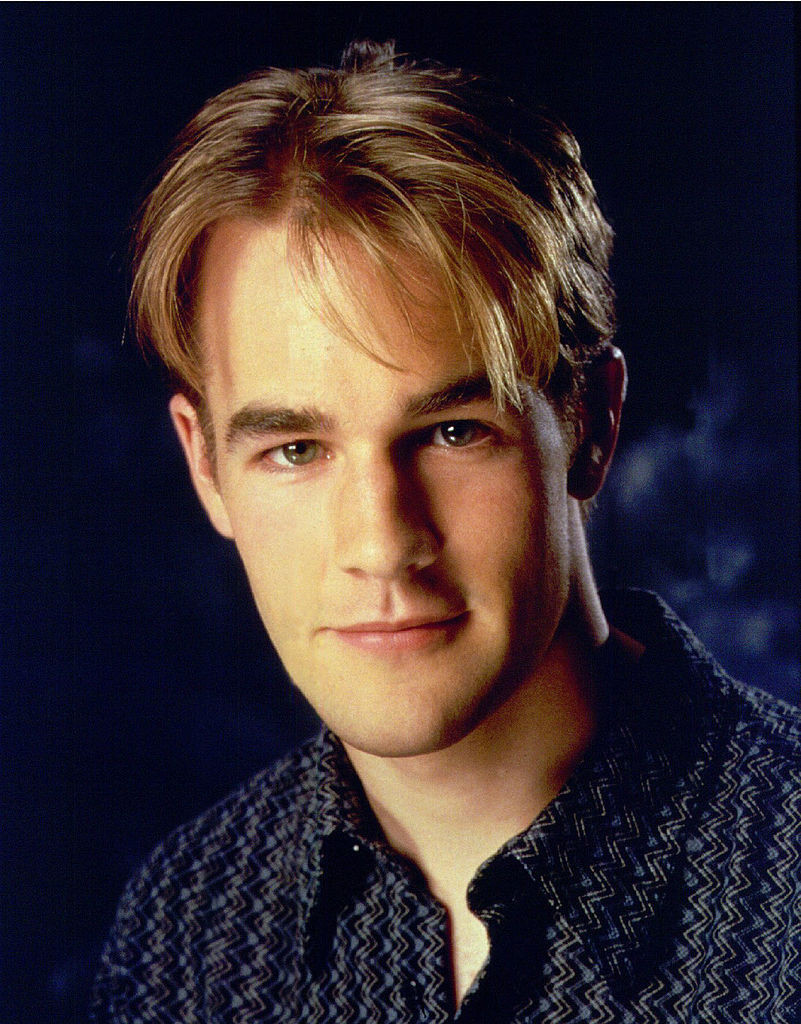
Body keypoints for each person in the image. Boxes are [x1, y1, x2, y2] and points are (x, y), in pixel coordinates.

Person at [92, 40, 800, 1023]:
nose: (381, 544)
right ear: (204, 464)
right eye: (295, 449)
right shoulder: (182, 929)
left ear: (591, 424)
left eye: (454, 431)